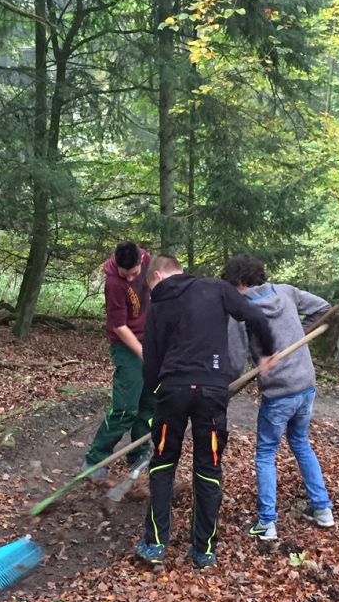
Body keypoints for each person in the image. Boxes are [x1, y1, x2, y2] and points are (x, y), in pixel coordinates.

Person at [136, 255, 277, 569]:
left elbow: (151, 359)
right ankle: (204, 551)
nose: (153, 291)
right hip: (212, 392)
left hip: (172, 392)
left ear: (158, 275)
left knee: (162, 465)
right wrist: (266, 354)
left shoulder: (158, 304)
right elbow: (257, 318)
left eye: (151, 285)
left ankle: (155, 544)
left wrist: (154, 395)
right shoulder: (216, 288)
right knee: (208, 467)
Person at [223, 255, 335, 540]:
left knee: (266, 453)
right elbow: (322, 307)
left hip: (278, 391)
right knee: (300, 443)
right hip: (305, 384)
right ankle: (323, 510)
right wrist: (295, 338)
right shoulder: (287, 292)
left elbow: (236, 361)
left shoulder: (241, 310)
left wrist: (226, 387)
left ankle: (267, 522)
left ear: (240, 283)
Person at [83, 241, 155, 484]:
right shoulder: (113, 283)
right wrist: (143, 353)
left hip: (151, 339)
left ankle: (138, 456)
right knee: (125, 407)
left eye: (135, 272)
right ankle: (95, 460)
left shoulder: (147, 262)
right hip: (126, 347)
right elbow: (119, 326)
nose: (132, 277)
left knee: (149, 403)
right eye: (128, 274)